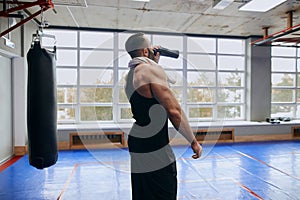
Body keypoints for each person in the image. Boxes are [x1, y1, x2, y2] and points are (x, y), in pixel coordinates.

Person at [124, 32, 202, 200]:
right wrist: (193, 141)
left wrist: (155, 63)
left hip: (138, 140)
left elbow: (147, 101)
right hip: (154, 144)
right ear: (145, 51)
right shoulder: (150, 70)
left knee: (144, 193)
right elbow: (173, 111)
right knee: (164, 191)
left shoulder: (130, 75)